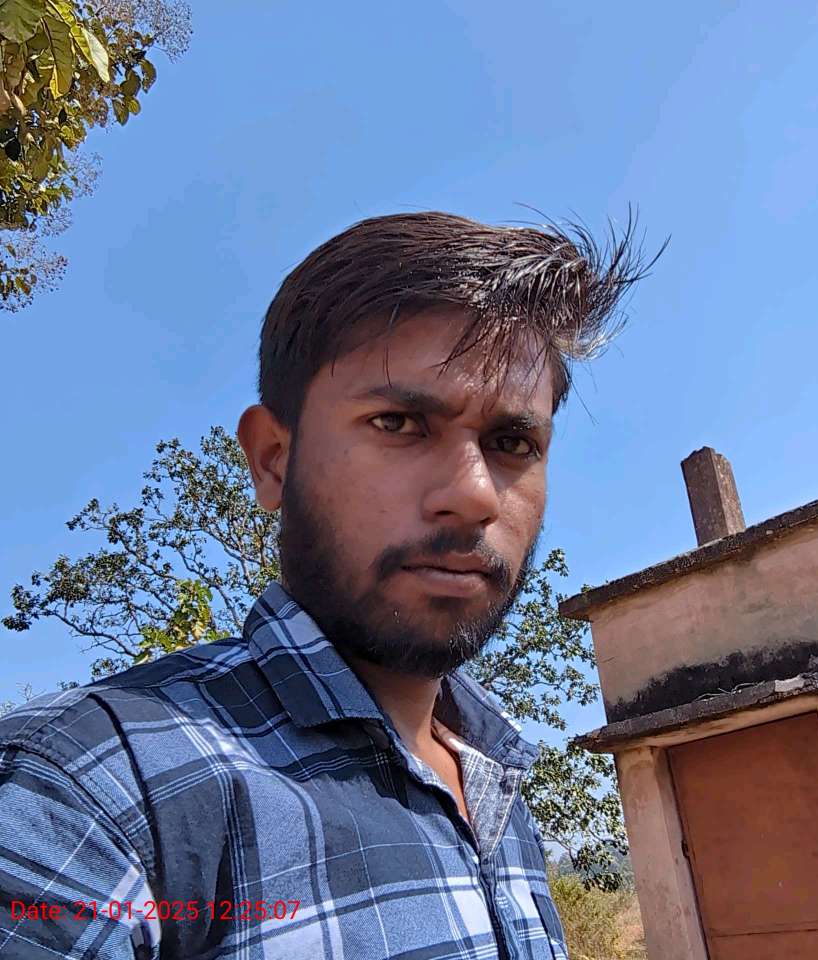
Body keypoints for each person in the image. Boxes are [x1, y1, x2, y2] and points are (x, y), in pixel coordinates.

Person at [0, 211, 649, 959]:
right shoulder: (89, 793)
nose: (475, 496)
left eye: (512, 441)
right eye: (399, 423)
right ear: (273, 459)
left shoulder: (495, 782)